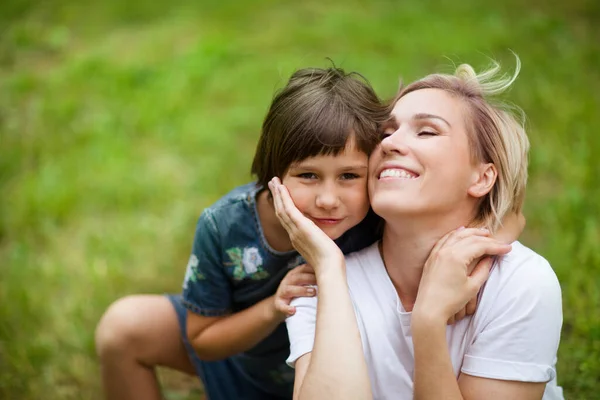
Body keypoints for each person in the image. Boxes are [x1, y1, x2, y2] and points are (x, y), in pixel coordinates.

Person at [272, 56, 563, 400]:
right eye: (385, 132)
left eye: (426, 131)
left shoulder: (519, 283)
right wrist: (328, 268)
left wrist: (427, 323)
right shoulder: (321, 284)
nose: (391, 144)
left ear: (482, 177)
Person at [94, 66, 389, 400]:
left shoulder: (379, 218)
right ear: (273, 169)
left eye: (349, 175)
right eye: (308, 175)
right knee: (123, 327)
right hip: (241, 364)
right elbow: (203, 338)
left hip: (335, 384)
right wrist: (274, 307)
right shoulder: (224, 225)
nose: (328, 200)